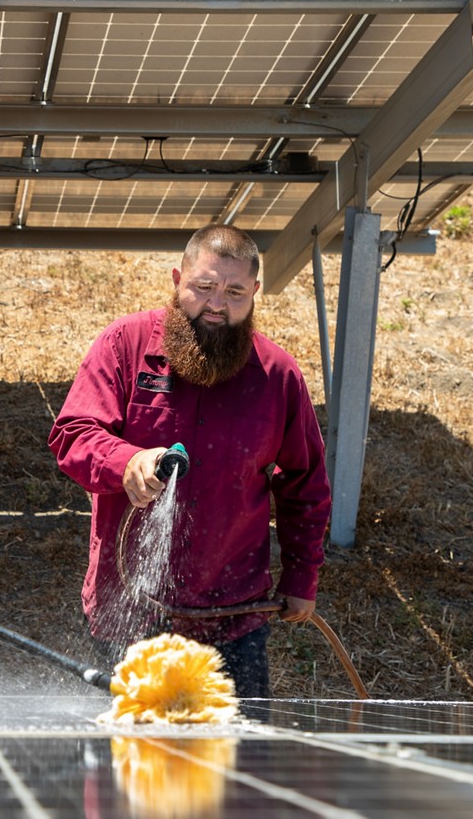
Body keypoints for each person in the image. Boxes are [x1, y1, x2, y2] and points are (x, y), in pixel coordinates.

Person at [47, 224, 330, 698]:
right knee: (128, 764)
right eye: (203, 287)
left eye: (235, 292)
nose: (217, 304)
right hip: (130, 611)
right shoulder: (125, 345)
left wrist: (302, 576)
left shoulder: (277, 374)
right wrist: (127, 462)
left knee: (238, 763)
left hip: (233, 618)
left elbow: (305, 484)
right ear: (178, 279)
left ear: (256, 293)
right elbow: (73, 436)